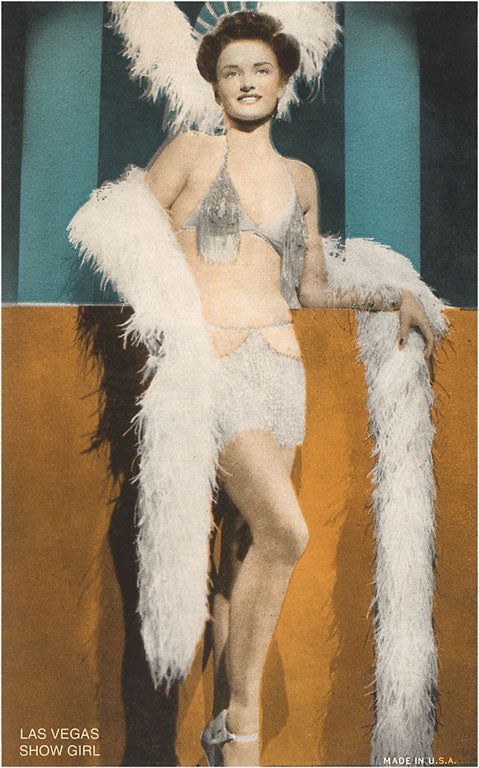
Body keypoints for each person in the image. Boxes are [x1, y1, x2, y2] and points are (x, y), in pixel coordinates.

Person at [68, 5, 445, 766]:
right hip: (209, 370)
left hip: (279, 372)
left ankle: (221, 738)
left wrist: (391, 295)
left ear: (282, 83)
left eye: (260, 70)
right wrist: (171, 323)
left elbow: (311, 290)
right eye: (231, 71)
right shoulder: (189, 153)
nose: (245, 82)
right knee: (287, 532)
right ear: (214, 86)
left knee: (242, 552)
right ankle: (241, 723)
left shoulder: (300, 178)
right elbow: (118, 231)